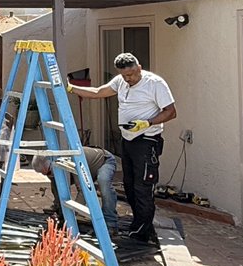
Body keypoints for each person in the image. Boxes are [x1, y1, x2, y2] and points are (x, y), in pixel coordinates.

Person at [67, 52, 176, 243]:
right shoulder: (121, 81)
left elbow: (171, 112)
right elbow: (98, 93)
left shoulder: (155, 83)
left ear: (139, 67)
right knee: (130, 186)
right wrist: (70, 88)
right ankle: (137, 225)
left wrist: (147, 123)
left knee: (143, 187)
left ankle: (143, 232)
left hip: (146, 140)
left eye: (132, 74)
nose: (129, 78)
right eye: (125, 75)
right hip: (128, 140)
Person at [32, 146, 119, 230]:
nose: (49, 176)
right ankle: (58, 208)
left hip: (105, 161)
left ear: (53, 163)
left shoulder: (73, 161)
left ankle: (110, 221)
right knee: (56, 182)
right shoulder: (54, 164)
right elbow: (56, 188)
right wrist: (61, 211)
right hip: (87, 167)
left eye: (49, 172)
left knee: (103, 182)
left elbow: (83, 191)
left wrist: (72, 215)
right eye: (46, 174)